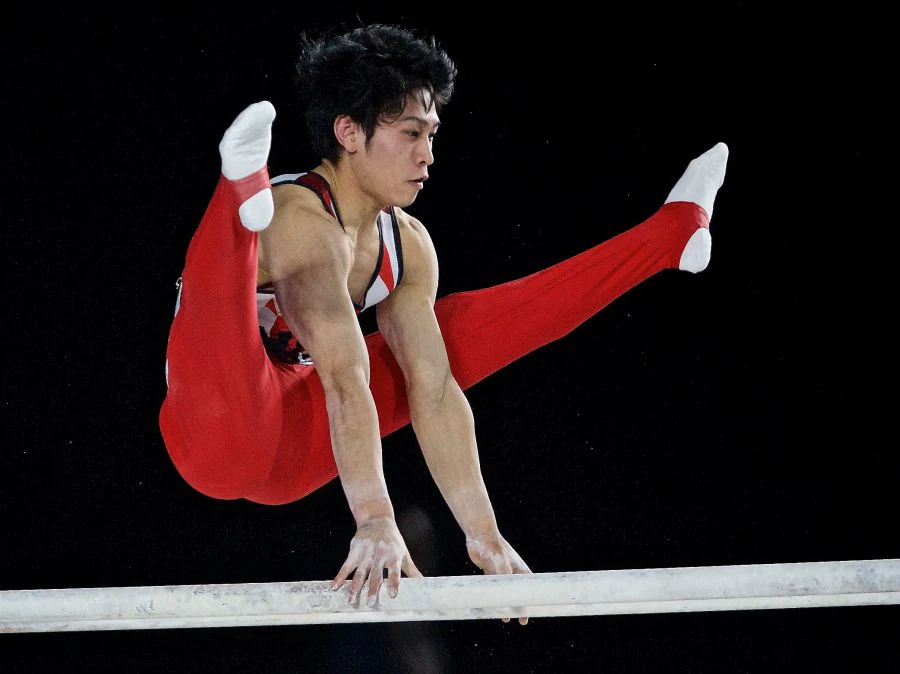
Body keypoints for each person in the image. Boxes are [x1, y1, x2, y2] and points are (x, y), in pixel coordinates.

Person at [158, 23, 728, 622]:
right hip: (216, 429)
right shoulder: (301, 218)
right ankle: (236, 194)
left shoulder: (408, 244)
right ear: (348, 133)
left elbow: (432, 391)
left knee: (454, 334)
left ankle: (670, 234)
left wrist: (485, 535)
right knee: (222, 320)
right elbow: (346, 376)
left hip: (298, 447)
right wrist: (376, 519)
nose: (427, 154)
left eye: (431, 135)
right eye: (410, 135)